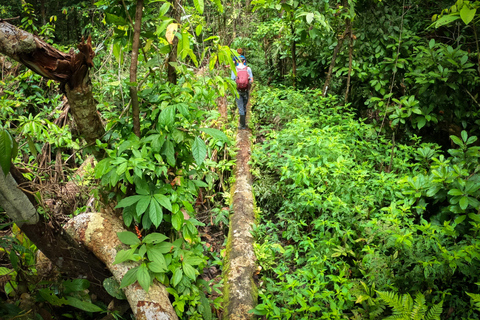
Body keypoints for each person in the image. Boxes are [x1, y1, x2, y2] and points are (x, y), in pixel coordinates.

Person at [231, 57, 253, 129]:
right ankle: (244, 123)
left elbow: (232, 81)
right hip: (246, 91)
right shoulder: (248, 69)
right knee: (244, 106)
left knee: (240, 107)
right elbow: (251, 80)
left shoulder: (235, 69)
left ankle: (242, 125)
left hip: (238, 91)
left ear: (237, 61)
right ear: (244, 61)